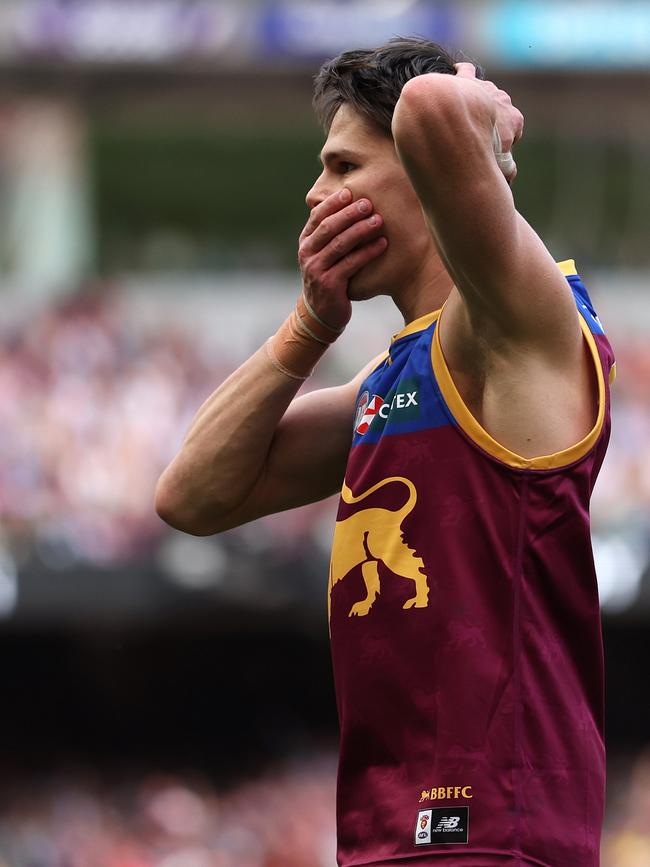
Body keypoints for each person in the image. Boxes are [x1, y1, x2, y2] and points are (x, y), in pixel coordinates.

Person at [155, 37, 615, 867]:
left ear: (423, 172)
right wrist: (308, 329)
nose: (314, 190)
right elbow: (192, 495)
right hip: (390, 839)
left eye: (341, 166)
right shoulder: (400, 368)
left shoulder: (518, 324)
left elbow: (435, 109)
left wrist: (485, 125)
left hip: (492, 839)